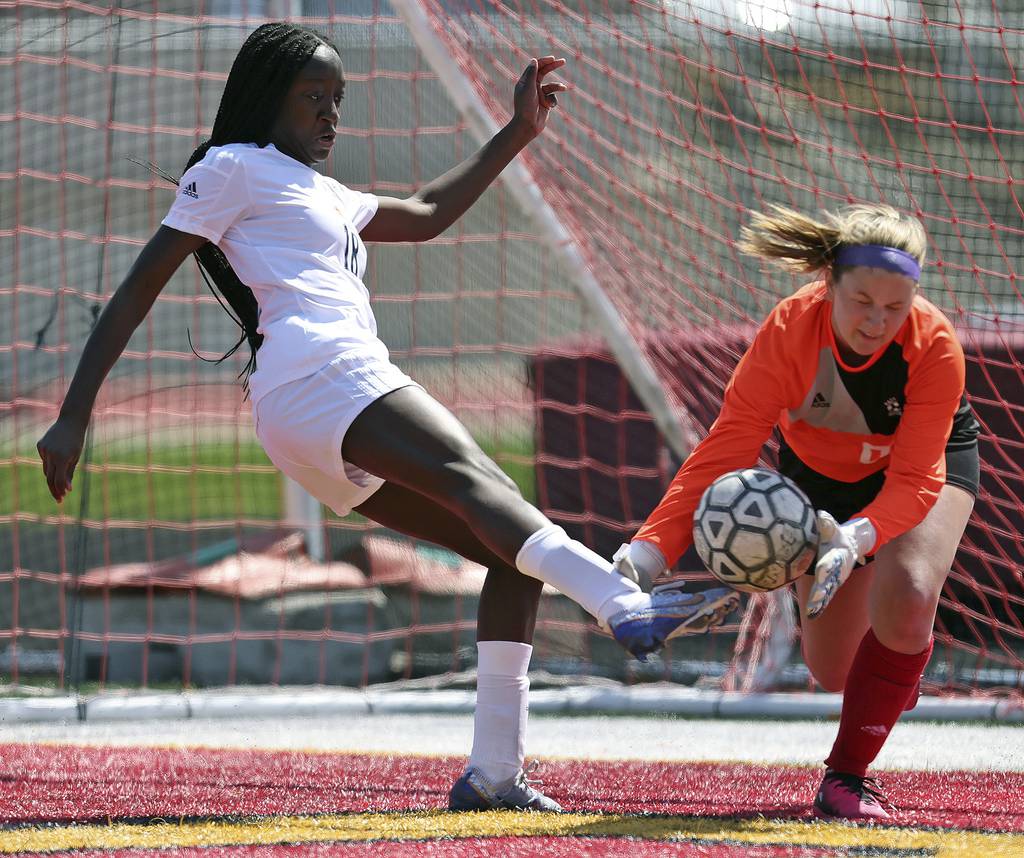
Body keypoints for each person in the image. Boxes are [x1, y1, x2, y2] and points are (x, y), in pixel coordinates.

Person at [36, 23, 740, 813]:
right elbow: (138, 287)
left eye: (339, 99)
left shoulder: (325, 192)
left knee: (507, 552)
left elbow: (431, 211)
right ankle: (622, 605)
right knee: (485, 486)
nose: (332, 114)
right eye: (314, 97)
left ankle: (493, 775)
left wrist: (517, 131)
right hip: (322, 373)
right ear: (268, 98)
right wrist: (74, 415)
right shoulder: (232, 168)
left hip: (304, 411)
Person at [613, 204, 979, 820]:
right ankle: (892, 668)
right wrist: (647, 552)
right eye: (862, 301)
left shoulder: (934, 345)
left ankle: (846, 781)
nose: (877, 321)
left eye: (895, 307)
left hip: (918, 472)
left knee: (909, 597)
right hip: (819, 479)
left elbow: (915, 481)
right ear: (829, 282)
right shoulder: (790, 330)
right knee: (836, 670)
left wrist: (857, 536)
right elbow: (725, 450)